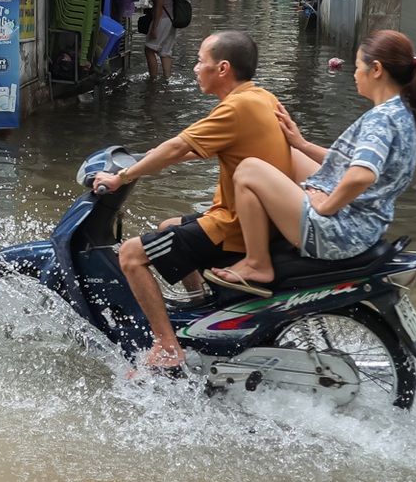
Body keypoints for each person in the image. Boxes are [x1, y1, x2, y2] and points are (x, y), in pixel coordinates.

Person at [92, 31, 294, 369]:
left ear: (223, 68)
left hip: (233, 227)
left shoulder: (235, 108)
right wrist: (152, 157)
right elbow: (195, 148)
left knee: (131, 255)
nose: (196, 68)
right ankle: (202, 308)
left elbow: (177, 146)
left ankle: (167, 346)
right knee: (167, 225)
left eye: (202, 62)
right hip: (256, 221)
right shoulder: (261, 98)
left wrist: (121, 177)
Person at [207, 29, 416, 293]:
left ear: (376, 69)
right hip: (366, 226)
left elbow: (362, 175)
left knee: (248, 169)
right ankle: (269, 220)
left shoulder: (381, 119)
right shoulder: (402, 111)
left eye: (357, 66)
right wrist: (301, 144)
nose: (354, 73)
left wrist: (326, 205)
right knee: (291, 154)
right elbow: (352, 163)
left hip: (342, 233)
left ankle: (257, 262)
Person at [137, 0, 175, 81]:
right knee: (165, 52)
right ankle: (167, 79)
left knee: (149, 49)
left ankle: (152, 79)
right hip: (171, 20)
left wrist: (154, 27)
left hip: (162, 19)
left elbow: (159, 5)